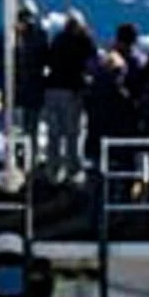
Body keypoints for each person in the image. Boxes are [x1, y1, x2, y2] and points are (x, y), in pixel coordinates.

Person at [43, 12, 95, 182]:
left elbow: (49, 60)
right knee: (73, 133)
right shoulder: (84, 40)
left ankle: (53, 171)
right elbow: (91, 63)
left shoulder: (58, 39)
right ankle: (73, 171)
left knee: (54, 134)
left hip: (52, 90)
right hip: (72, 92)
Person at [84, 50, 138, 196]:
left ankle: (95, 216)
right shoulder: (121, 94)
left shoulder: (92, 90)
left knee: (96, 189)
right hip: (116, 145)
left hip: (94, 143)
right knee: (115, 188)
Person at [9, 7, 50, 157]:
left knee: (20, 128)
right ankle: (30, 159)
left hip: (20, 91)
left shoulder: (13, 36)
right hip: (33, 91)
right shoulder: (41, 35)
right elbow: (47, 59)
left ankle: (21, 158)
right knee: (29, 128)